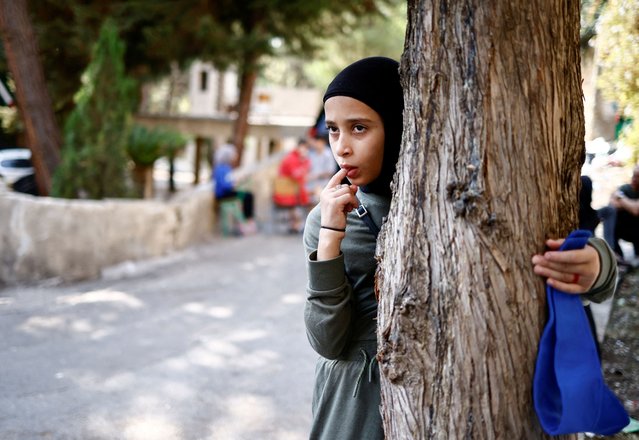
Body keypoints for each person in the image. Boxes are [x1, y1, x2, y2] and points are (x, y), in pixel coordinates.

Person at [302, 57, 618, 440]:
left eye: (359, 128)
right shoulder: (327, 218)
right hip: (354, 411)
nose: (343, 148)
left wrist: (596, 264)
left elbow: (544, 254)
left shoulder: (452, 197)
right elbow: (327, 341)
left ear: (401, 123)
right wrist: (330, 237)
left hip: (454, 401)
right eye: (334, 130)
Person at [212, 142, 256, 235]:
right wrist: (233, 184)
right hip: (223, 195)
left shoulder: (227, 167)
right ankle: (247, 222)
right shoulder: (220, 168)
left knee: (248, 195)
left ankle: (246, 221)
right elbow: (224, 184)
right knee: (247, 196)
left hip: (228, 192)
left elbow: (229, 181)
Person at [598, 164, 639, 262]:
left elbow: (636, 210)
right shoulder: (624, 188)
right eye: (634, 176)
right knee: (610, 215)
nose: (634, 179)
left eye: (638, 177)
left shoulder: (621, 193)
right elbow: (612, 205)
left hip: (637, 231)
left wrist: (621, 199)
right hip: (622, 228)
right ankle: (617, 257)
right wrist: (630, 204)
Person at [273, 138, 311, 232]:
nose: (305, 150)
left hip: (288, 190)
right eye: (304, 148)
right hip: (288, 192)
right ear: (299, 147)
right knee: (310, 195)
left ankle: (296, 224)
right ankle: (299, 224)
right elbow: (297, 176)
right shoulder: (292, 159)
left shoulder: (294, 157)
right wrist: (304, 163)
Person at [306, 134, 337, 204]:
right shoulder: (311, 153)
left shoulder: (328, 154)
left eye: (317, 142)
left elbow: (330, 171)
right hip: (311, 184)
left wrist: (316, 176)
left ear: (322, 142)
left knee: (318, 201)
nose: (315, 144)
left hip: (324, 184)